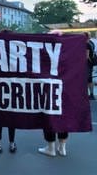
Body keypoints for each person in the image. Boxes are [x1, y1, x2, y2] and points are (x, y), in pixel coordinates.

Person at [38, 29, 68, 157]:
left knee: (49, 117)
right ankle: (62, 147)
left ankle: (51, 148)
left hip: (48, 89)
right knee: (63, 116)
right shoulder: (67, 52)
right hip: (65, 89)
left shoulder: (44, 52)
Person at [85, 32, 95, 100]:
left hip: (87, 64)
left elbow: (86, 56)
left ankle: (90, 95)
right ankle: (91, 94)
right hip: (90, 64)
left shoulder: (86, 44)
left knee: (87, 79)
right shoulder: (91, 43)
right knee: (89, 79)